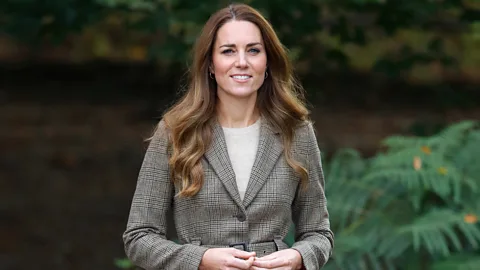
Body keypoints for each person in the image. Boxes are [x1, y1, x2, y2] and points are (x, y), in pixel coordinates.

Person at [123, 3, 334, 270]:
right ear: (211, 64)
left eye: (254, 50)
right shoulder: (176, 132)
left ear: (267, 61)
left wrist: (299, 257)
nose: (242, 62)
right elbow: (138, 237)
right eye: (228, 51)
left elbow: (318, 233)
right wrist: (199, 260)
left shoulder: (296, 132)